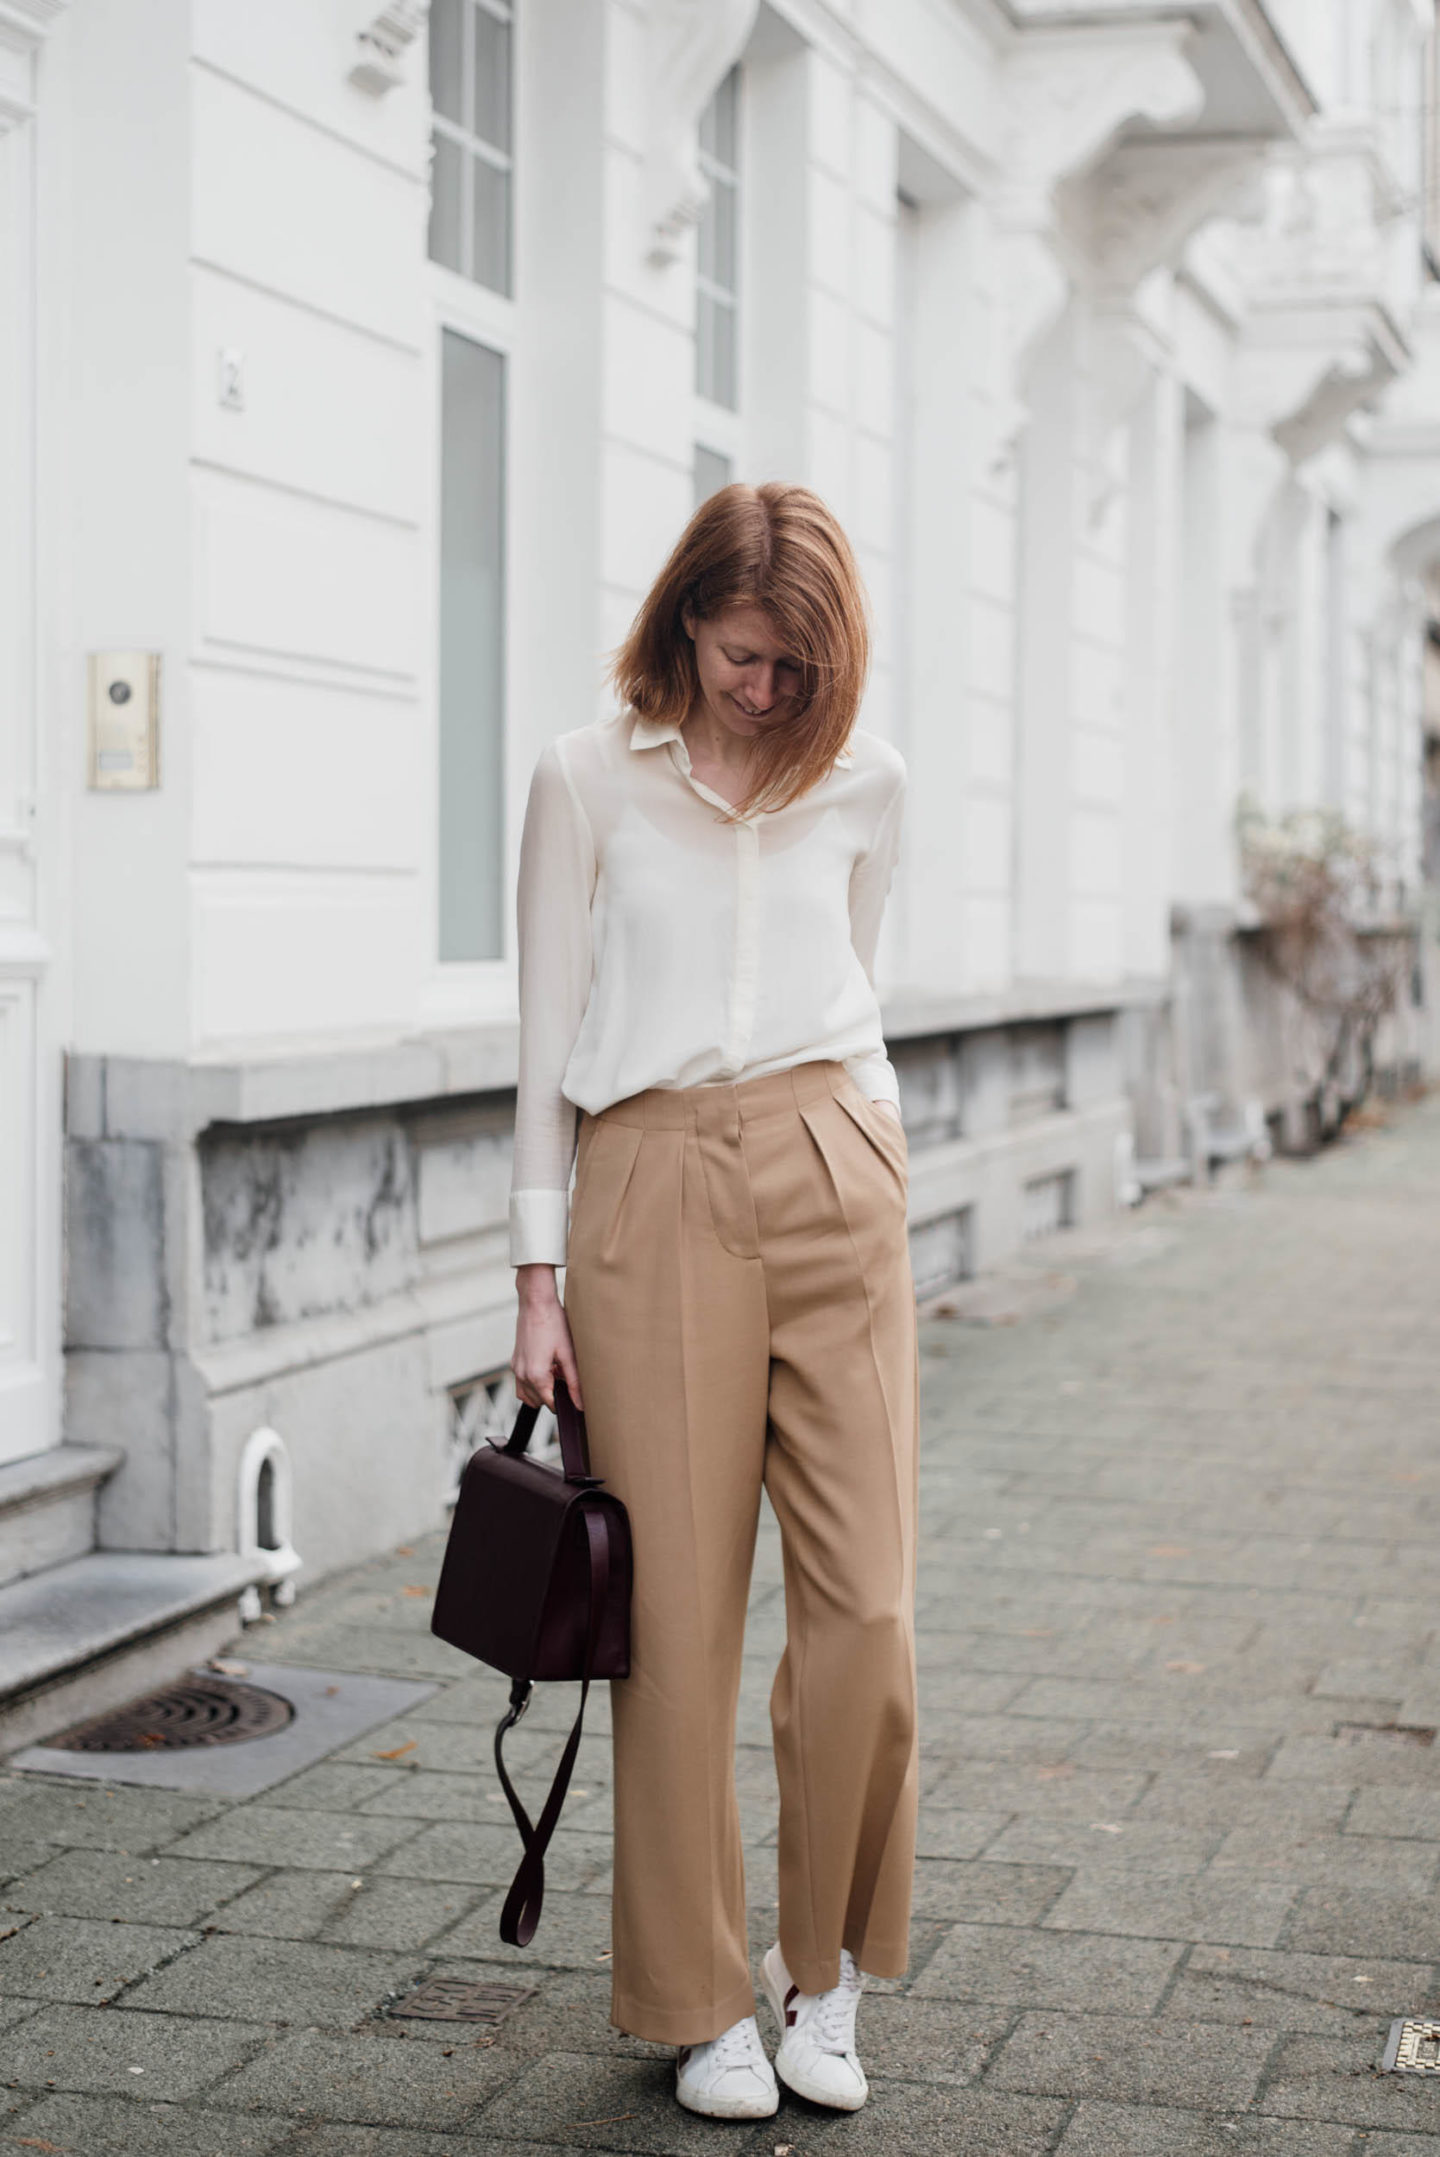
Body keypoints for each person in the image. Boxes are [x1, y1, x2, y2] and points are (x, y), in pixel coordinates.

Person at [508, 482, 918, 2121]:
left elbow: (862, 978)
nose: (772, 692)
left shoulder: (865, 777)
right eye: (750, 656)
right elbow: (543, 1044)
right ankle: (696, 1992)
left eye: (802, 668)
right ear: (689, 619)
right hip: (648, 1181)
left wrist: (873, 1147)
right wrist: (535, 1271)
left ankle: (828, 1974)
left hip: (834, 1164)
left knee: (872, 1612)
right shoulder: (586, 776)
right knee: (671, 1622)